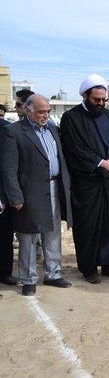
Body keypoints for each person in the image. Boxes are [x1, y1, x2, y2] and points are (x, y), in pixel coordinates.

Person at [0, 94, 73, 295]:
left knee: (52, 233)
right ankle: (28, 279)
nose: (46, 115)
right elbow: (8, 169)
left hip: (54, 188)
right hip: (29, 193)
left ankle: (53, 274)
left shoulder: (53, 130)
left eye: (48, 112)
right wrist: (15, 197)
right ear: (28, 110)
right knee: (28, 236)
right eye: (41, 112)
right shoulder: (13, 132)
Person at [60, 74, 109, 284]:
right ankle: (89, 269)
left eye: (104, 100)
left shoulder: (108, 115)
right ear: (85, 95)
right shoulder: (71, 118)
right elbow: (74, 149)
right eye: (97, 99)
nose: (101, 103)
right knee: (89, 226)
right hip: (88, 183)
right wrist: (100, 162)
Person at [0, 113, 17, 286]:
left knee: (4, 237)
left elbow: (7, 166)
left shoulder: (5, 129)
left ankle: (4, 273)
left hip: (1, 197)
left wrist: (3, 196)